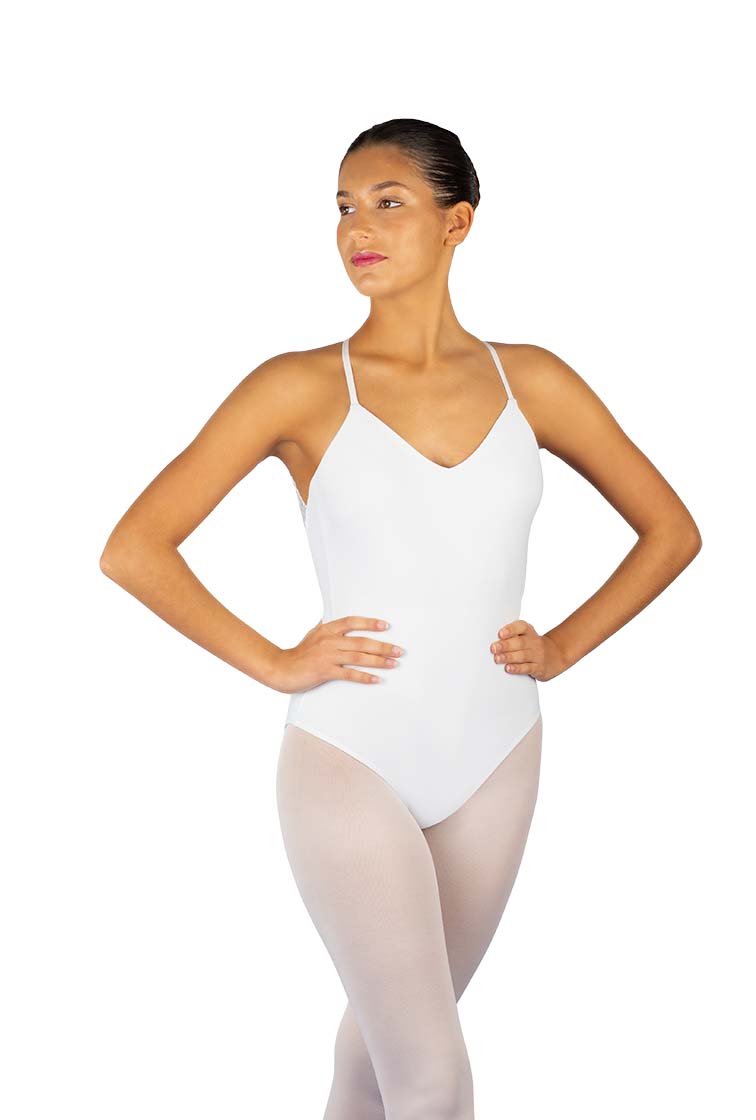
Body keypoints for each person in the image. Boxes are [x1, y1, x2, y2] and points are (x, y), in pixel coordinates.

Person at [100, 118, 702, 1119]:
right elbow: (135, 547)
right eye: (343, 207)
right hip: (351, 755)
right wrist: (276, 661)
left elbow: (669, 532)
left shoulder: (532, 381)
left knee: (375, 1056)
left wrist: (560, 645)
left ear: (456, 222)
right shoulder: (297, 386)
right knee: (433, 1076)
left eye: (387, 202)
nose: (357, 228)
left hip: (497, 754)